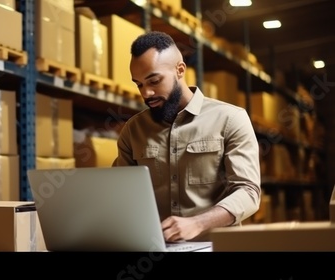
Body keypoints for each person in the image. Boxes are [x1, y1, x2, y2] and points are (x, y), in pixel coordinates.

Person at [112, 31, 261, 242]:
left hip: (215, 246)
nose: (146, 93)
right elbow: (121, 194)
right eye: (139, 84)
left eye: (154, 81)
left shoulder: (230, 119)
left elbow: (248, 191)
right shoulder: (133, 130)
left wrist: (198, 223)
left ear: (180, 70)